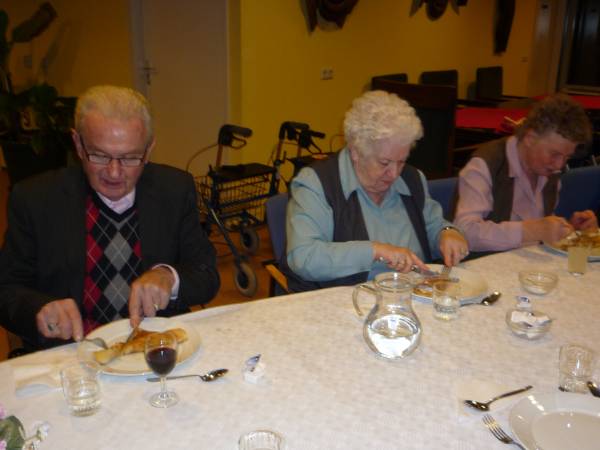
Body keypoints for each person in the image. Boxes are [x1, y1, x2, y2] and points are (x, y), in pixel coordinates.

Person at [0, 85, 220, 349]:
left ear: (149, 149)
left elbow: (207, 275)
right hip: (71, 351)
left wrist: (169, 276)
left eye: (130, 158)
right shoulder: (35, 199)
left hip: (154, 346)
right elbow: (7, 289)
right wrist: (39, 309)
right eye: (99, 155)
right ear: (78, 143)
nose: (114, 173)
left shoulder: (174, 189)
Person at [284, 90, 469, 292]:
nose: (394, 174)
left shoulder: (412, 179)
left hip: (415, 296)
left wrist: (447, 233)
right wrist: (375, 251)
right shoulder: (317, 183)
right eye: (384, 163)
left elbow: (433, 225)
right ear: (356, 152)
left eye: (401, 161)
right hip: (349, 301)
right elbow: (304, 258)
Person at [454, 93, 597, 252]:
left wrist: (570, 230)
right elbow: (464, 232)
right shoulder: (484, 164)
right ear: (530, 138)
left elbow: (540, 227)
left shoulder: (550, 169)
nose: (559, 165)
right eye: (554, 154)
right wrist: (531, 231)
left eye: (567, 157)